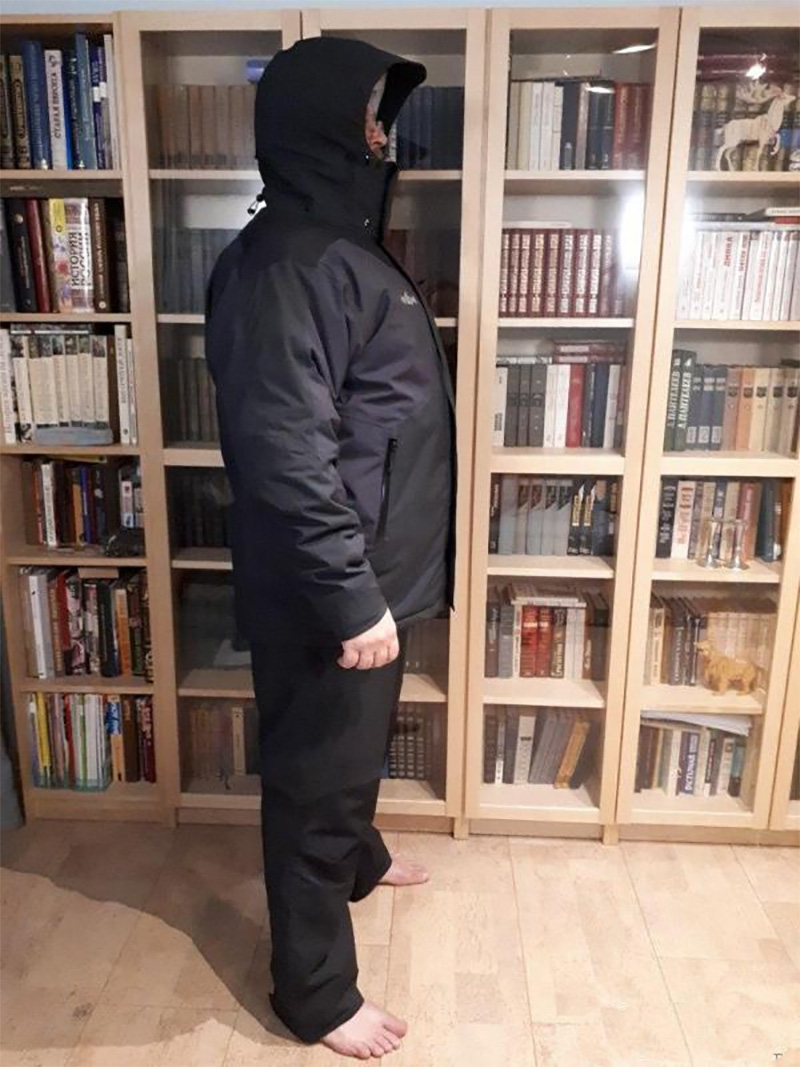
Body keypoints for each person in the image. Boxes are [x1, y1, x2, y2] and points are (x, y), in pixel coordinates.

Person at [205, 36, 456, 1061]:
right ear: (315, 124)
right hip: (329, 588)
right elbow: (284, 454)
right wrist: (351, 597)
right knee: (315, 783)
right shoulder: (286, 265)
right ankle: (314, 992)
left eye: (383, 117)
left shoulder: (342, 246)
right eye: (367, 115)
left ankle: (360, 858)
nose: (381, 136)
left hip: (367, 574)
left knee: (348, 753)